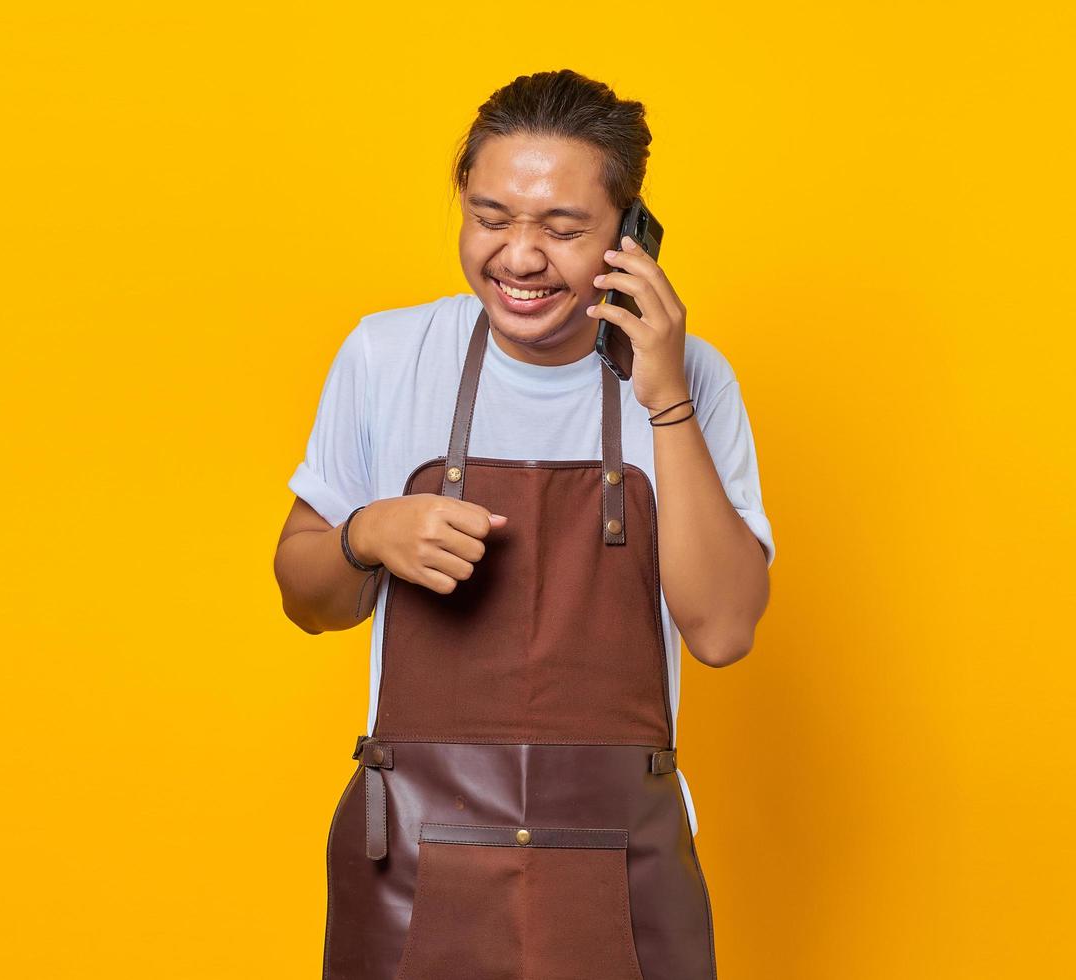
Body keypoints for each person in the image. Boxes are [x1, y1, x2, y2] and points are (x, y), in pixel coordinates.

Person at [274, 68, 774, 980]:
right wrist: (367, 535)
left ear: (631, 234)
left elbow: (725, 629)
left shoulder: (697, 376)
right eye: (491, 217)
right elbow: (306, 598)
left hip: (622, 864)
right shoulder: (387, 356)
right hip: (415, 864)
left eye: (562, 228)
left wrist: (663, 398)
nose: (518, 257)